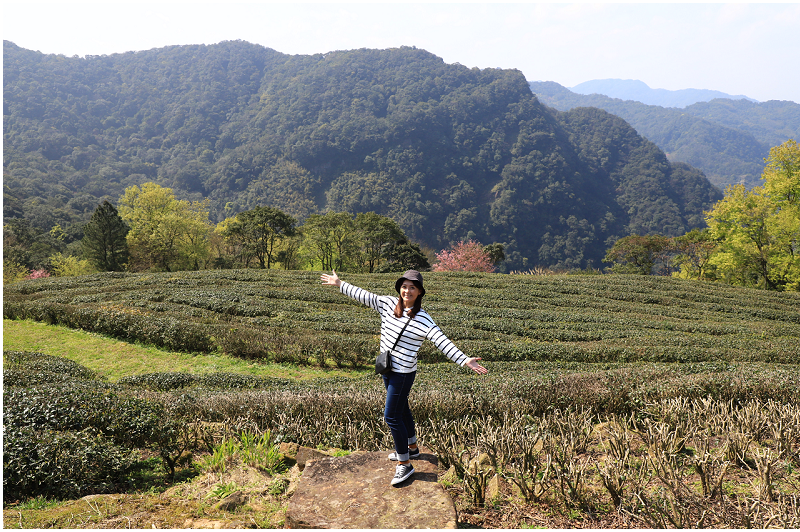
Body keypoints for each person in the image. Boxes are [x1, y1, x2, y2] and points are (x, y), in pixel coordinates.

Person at [320, 269, 488, 486]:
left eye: (412, 287)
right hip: (387, 368)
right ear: (400, 288)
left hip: (403, 373)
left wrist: (464, 360)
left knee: (391, 416)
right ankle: (413, 448)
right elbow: (365, 295)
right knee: (402, 408)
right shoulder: (388, 304)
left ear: (419, 292)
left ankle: (405, 465)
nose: (407, 290)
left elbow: (442, 341)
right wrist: (339, 283)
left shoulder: (424, 319)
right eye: (404, 286)